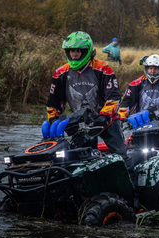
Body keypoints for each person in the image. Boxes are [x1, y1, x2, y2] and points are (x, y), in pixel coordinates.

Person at [46, 31, 130, 166]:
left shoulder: (103, 68)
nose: (74, 54)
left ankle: (129, 181)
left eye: (78, 51)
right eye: (71, 51)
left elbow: (114, 97)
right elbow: (53, 103)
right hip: (79, 125)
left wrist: (104, 115)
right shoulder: (60, 73)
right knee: (79, 160)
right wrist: (54, 119)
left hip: (106, 122)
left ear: (86, 51)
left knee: (121, 157)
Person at [118, 54, 159, 120]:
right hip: (141, 121)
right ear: (146, 69)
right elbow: (126, 103)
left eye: (155, 69)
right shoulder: (136, 84)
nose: (152, 71)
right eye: (150, 68)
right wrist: (121, 117)